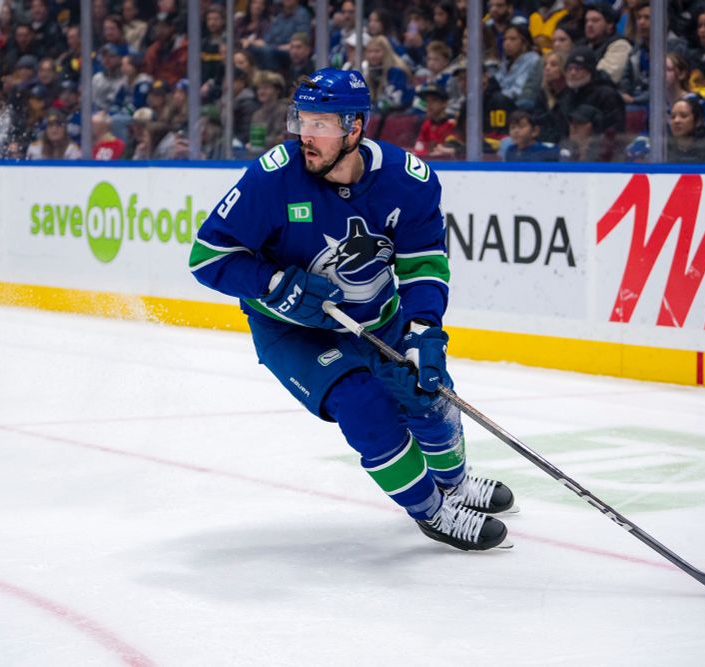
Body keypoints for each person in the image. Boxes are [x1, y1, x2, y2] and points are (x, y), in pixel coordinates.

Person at [189, 68, 514, 552]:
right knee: (363, 404)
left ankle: (456, 482)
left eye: (320, 124)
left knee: (428, 390)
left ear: (354, 128)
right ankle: (432, 510)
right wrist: (277, 284)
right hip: (296, 331)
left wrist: (425, 330)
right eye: (301, 120)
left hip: (380, 318)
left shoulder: (409, 181)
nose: (304, 134)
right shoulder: (273, 178)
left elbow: (424, 264)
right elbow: (208, 257)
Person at [666, 97, 705, 162]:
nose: (676, 121)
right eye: (673, 117)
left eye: (683, 116)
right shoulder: (663, 150)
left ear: (697, 121)